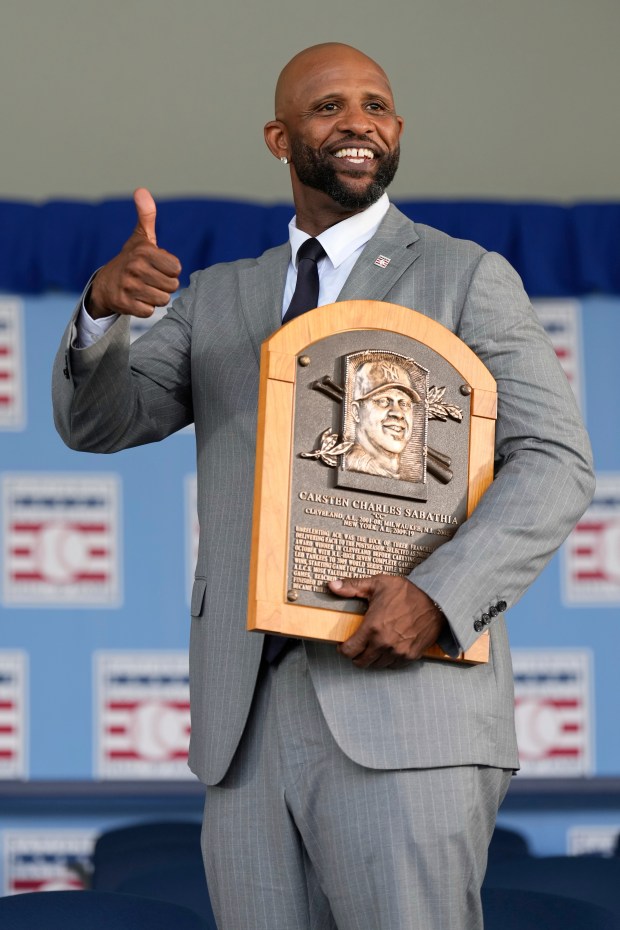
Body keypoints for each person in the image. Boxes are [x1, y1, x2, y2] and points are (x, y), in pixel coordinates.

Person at [52, 42, 595, 930]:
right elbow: (101, 424)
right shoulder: (222, 296)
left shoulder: (465, 275)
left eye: (376, 107)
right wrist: (101, 315)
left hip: (407, 708)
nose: (358, 124)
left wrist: (439, 596)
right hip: (248, 723)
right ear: (280, 137)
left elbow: (556, 459)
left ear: (397, 132)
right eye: (329, 108)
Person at [345, 359, 420, 479]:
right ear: (356, 411)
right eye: (383, 401)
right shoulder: (350, 467)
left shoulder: (401, 476)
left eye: (404, 404)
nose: (398, 413)